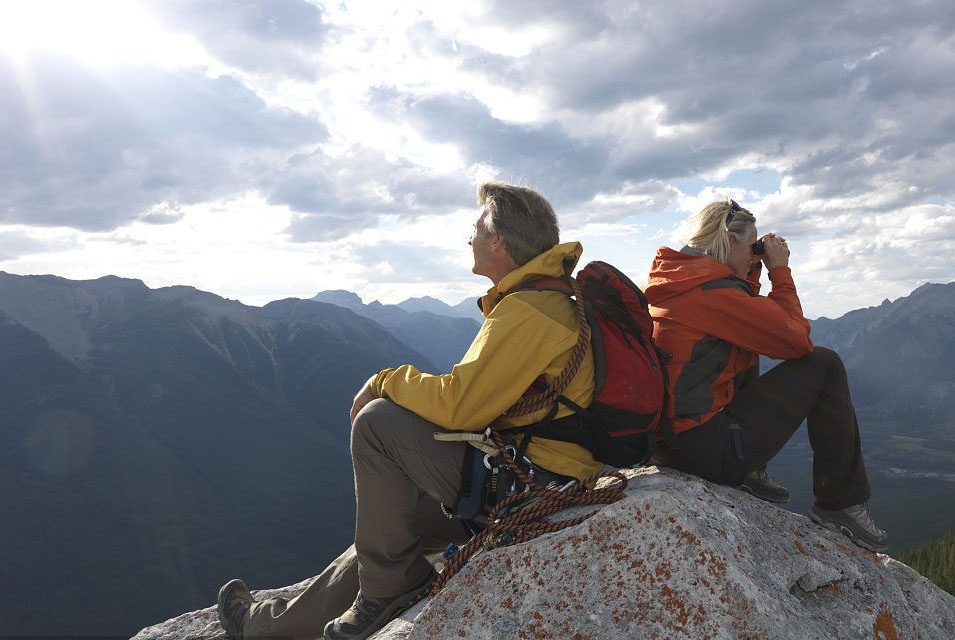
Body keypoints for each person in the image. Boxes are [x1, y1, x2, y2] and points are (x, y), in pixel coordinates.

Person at [217, 181, 601, 640]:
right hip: (537, 475)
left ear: (498, 240)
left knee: (377, 423)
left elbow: (460, 406)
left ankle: (385, 592)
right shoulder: (547, 301)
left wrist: (384, 380)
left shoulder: (531, 310)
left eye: (477, 228)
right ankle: (265, 625)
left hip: (533, 487)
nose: (470, 238)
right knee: (387, 536)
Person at [644, 199, 888, 551]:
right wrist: (780, 272)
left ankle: (751, 473)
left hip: (669, 444)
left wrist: (750, 266)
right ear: (728, 239)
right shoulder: (713, 296)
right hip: (706, 452)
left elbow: (749, 315)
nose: (753, 253)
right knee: (825, 363)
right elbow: (796, 341)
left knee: (746, 340)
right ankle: (841, 503)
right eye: (750, 246)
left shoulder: (678, 281)